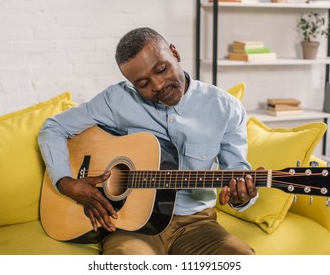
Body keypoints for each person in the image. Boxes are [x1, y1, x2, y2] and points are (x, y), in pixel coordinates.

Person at [38, 27, 258, 255]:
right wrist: (65, 182)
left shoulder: (226, 108)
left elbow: (237, 173)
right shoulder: (117, 100)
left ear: (175, 53)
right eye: (143, 84)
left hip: (195, 224)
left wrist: (241, 197)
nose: (158, 86)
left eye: (162, 69)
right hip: (130, 228)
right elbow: (53, 127)